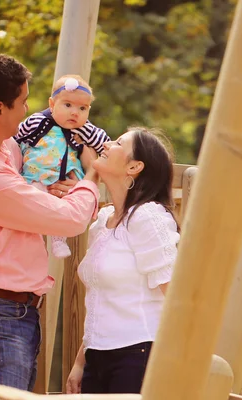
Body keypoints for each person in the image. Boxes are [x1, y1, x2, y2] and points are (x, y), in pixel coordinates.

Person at [0, 52, 100, 391]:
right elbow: (70, 220)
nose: (29, 110)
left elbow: (38, 183)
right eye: (23, 102)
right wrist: (92, 176)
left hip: (1, 311)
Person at [66, 127, 180, 394]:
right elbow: (99, 301)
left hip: (138, 354)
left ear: (134, 166)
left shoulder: (147, 217)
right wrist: (80, 362)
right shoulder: (103, 223)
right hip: (97, 356)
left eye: (118, 142)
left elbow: (175, 295)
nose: (105, 144)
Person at [14, 74, 110, 258]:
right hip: (37, 174)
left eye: (82, 108)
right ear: (52, 105)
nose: (75, 112)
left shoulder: (85, 129)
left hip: (64, 178)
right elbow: (15, 137)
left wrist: (95, 148)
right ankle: (30, 241)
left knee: (60, 209)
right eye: (68, 105)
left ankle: (58, 241)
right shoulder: (36, 121)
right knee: (34, 199)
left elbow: (104, 144)